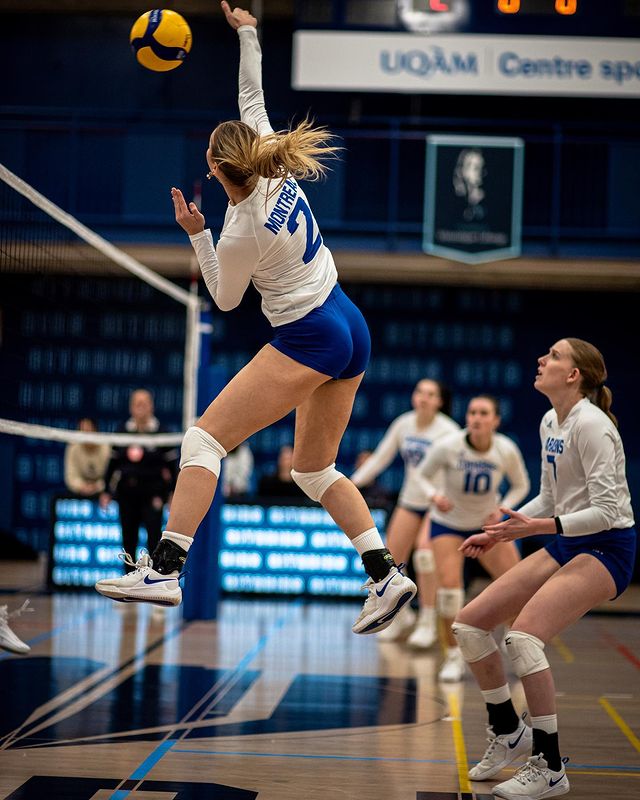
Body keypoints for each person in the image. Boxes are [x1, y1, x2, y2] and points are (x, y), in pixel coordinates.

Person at [95, 2, 416, 633]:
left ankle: (163, 570)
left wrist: (197, 235)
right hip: (349, 321)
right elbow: (252, 90)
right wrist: (247, 31)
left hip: (310, 334)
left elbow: (222, 296)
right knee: (313, 469)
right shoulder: (273, 155)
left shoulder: (238, 229)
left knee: (204, 440)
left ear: (215, 172)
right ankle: (384, 573)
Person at [452, 339, 635, 799]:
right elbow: (550, 499)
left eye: (553, 356)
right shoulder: (550, 420)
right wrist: (498, 529)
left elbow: (609, 511)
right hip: (567, 539)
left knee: (524, 637)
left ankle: (550, 766)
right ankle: (508, 729)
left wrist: (542, 525)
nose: (541, 360)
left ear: (574, 375)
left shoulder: (592, 426)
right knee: (470, 625)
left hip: (608, 548)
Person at [416, 395, 530, 682]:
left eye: (483, 413)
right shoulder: (448, 446)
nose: (476, 418)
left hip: (486, 529)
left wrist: (501, 510)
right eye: (472, 412)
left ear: (495, 420)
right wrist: (434, 496)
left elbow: (521, 485)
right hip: (448, 526)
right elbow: (421, 475)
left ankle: (514, 645)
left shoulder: (505, 449)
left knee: (515, 587)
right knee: (449, 592)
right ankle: (453, 657)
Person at [351, 378, 459, 648]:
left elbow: (455, 473)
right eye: (419, 391)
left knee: (424, 556)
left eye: (431, 394)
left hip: (437, 503)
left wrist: (442, 499)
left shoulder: (449, 431)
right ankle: (399, 617)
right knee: (391, 560)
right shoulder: (404, 423)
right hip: (410, 499)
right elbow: (379, 459)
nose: (423, 397)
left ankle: (426, 620)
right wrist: (350, 485)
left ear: (440, 401)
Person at [100, 389, 178, 571]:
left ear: (151, 406)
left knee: (154, 539)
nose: (141, 407)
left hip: (153, 494)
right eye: (137, 403)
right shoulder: (122, 431)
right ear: (131, 407)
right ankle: (128, 578)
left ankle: (153, 579)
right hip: (127, 494)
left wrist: (173, 492)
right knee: (128, 539)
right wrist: (106, 490)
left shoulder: (162, 432)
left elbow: (173, 467)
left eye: (145, 403)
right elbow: (112, 465)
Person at [63, 418, 111, 496]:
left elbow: (112, 476)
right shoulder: (73, 446)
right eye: (82, 432)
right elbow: (70, 476)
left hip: (104, 493)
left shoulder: (107, 447)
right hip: (79, 493)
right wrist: (82, 486)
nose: (85, 436)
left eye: (88, 431)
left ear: (95, 431)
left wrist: (97, 486)